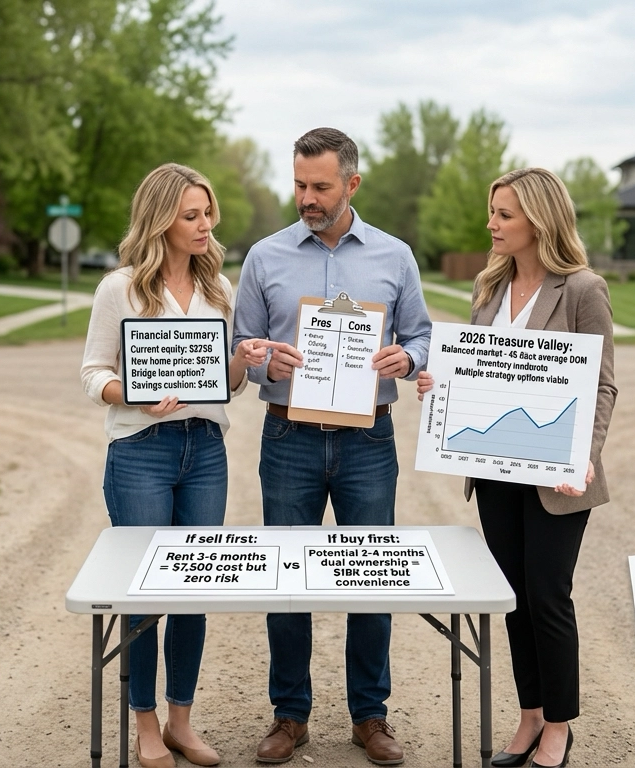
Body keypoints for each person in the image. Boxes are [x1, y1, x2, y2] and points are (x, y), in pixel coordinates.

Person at [232, 127, 432, 766]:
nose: (307, 198)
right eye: (299, 184)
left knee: (374, 580)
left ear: (352, 183)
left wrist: (407, 356)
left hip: (369, 438)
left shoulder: (395, 257)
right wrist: (267, 365)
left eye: (320, 186)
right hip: (287, 435)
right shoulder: (264, 257)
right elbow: (242, 348)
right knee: (285, 581)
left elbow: (423, 337)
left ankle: (369, 716)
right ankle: (289, 716)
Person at [417, 167, 616, 768]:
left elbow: (602, 387)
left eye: (504, 214)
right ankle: (529, 715)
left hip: (558, 477)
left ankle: (559, 725)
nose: (492, 224)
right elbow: (479, 373)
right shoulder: (488, 289)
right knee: (514, 598)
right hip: (496, 471)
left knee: (548, 594)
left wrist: (584, 457)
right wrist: (440, 384)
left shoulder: (583, 289)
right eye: (493, 212)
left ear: (538, 219)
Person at [81, 163, 276, 768]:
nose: (204, 225)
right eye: (191, 215)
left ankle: (180, 722)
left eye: (207, 213)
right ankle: (143, 723)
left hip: (205, 451)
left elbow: (229, 385)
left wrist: (242, 359)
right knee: (145, 594)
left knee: (195, 587)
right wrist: (132, 393)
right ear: (161, 219)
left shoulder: (220, 289)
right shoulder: (120, 289)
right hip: (140, 450)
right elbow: (93, 374)